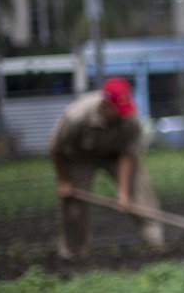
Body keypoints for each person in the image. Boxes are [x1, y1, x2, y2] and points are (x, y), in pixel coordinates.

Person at [49, 77, 164, 259]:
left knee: (141, 188)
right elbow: (56, 148)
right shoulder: (76, 116)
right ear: (106, 104)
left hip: (116, 155)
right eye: (118, 109)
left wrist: (124, 193)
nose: (122, 114)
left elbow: (128, 155)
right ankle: (74, 252)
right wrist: (63, 181)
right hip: (80, 157)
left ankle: (155, 241)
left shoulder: (129, 118)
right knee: (72, 203)